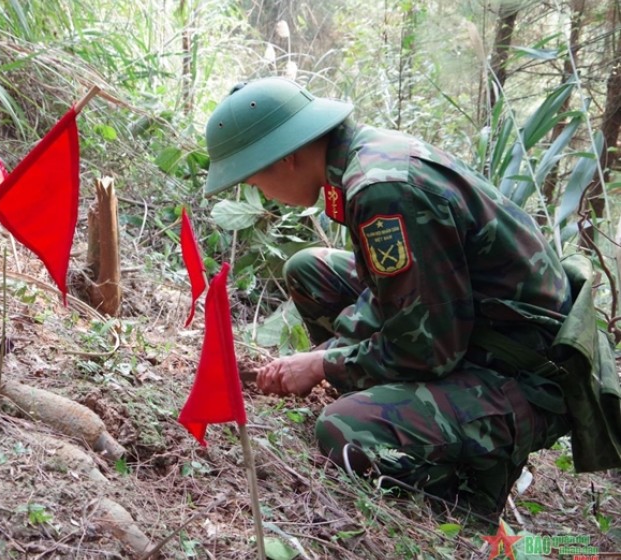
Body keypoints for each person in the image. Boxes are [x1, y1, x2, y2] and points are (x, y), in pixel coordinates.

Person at [202, 77, 583, 516]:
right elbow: (394, 296)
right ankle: (395, 398)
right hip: (472, 324)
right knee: (309, 270)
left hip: (519, 373)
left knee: (344, 431)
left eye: (255, 180)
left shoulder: (383, 189)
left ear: (287, 157)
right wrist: (332, 355)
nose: (261, 194)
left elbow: (428, 348)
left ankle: (470, 488)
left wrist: (326, 363)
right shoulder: (360, 158)